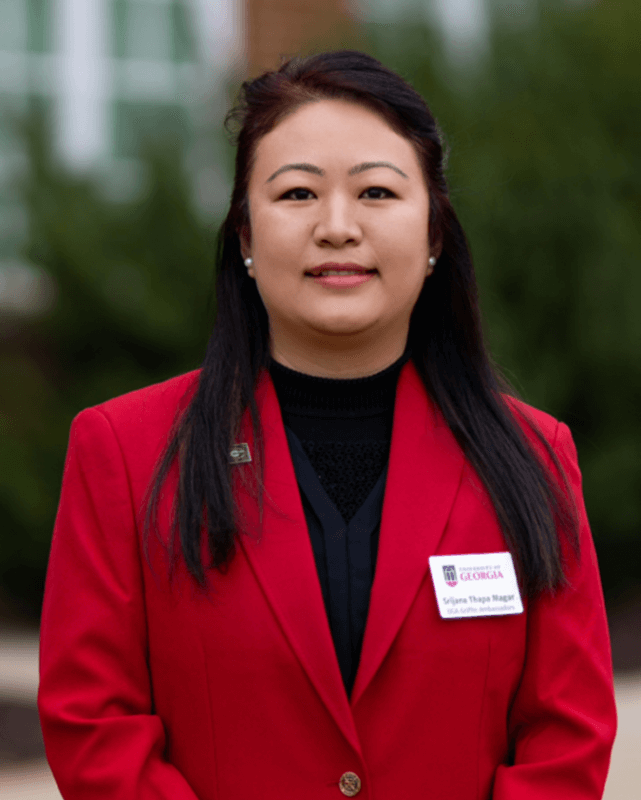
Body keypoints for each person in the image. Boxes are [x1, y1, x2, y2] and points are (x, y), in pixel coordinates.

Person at [38, 51, 616, 800]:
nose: (337, 227)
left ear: (435, 232)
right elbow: (94, 724)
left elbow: (565, 735)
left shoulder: (532, 457)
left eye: (376, 191)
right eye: (298, 193)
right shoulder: (126, 451)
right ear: (244, 236)